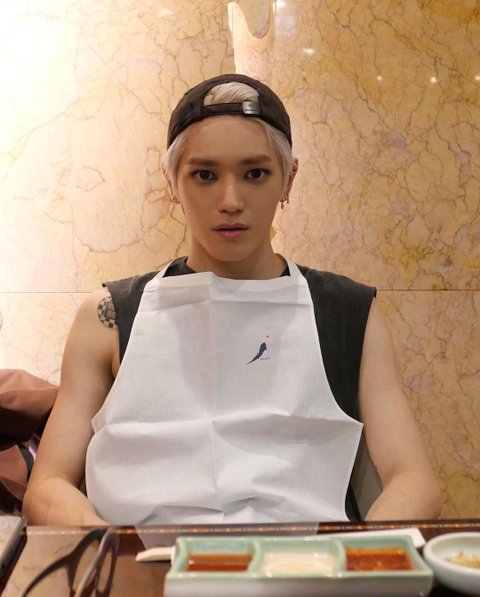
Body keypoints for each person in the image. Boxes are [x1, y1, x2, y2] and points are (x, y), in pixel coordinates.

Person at [23, 74, 442, 526]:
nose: (230, 200)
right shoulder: (107, 316)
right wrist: (110, 544)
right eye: (204, 175)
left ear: (289, 178)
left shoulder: (349, 313)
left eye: (255, 173)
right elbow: (48, 485)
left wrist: (359, 557)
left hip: (306, 559)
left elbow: (414, 480)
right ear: (171, 181)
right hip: (143, 559)